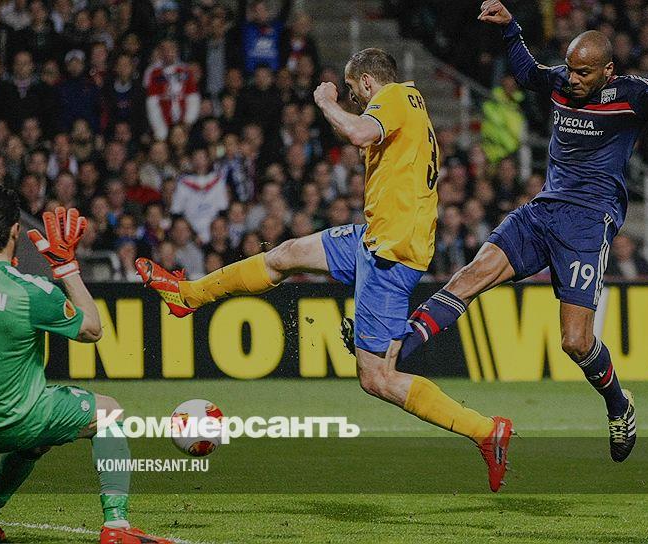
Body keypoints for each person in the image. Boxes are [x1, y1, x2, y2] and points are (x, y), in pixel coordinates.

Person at [136, 48, 513, 492]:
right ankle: (189, 296)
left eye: (354, 91)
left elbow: (356, 131)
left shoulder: (393, 98)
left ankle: (485, 431)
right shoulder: (409, 103)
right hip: (376, 238)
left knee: (376, 378)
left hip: (390, 254)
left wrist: (325, 100)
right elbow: (366, 137)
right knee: (285, 255)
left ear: (368, 82)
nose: (354, 100)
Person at [393, 0, 648, 464]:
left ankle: (618, 405)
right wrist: (510, 28)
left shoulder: (632, 95)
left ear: (606, 71)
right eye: (570, 69)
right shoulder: (562, 81)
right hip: (542, 212)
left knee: (574, 342)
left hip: (587, 223)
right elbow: (528, 73)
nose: (572, 79)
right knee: (469, 277)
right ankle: (397, 348)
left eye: (583, 73)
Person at [0, 185, 173, 543]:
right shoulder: (30, 291)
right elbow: (93, 330)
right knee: (109, 413)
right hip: (18, 419)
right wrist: (67, 267)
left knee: (34, 440)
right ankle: (117, 527)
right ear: (15, 230)